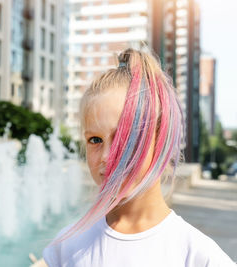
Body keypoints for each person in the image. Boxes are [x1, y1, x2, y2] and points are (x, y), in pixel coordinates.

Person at [42, 48, 236, 267]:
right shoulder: (66, 246)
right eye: (95, 140)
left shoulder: (197, 255)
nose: (107, 156)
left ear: (160, 138)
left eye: (124, 138)